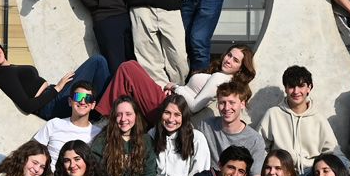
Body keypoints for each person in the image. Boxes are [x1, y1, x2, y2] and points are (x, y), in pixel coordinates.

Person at [97, 43, 256, 123]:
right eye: (229, 55)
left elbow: (194, 106)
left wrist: (176, 87)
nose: (228, 60)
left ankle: (103, 117)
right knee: (129, 76)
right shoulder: (220, 76)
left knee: (129, 67)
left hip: (168, 107)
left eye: (235, 60)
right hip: (168, 101)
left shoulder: (221, 79)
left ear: (240, 68)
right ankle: (110, 117)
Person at [0, 37, 111, 120]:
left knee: (94, 74)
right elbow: (27, 106)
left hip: (54, 99)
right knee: (97, 62)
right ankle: (102, 110)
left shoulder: (9, 69)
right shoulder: (3, 74)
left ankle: (96, 111)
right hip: (51, 105)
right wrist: (57, 88)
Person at [259, 64, 341, 171]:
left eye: (301, 86)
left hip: (311, 174)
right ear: (286, 88)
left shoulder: (318, 118)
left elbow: (333, 151)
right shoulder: (273, 114)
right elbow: (258, 148)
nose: (296, 91)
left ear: (309, 88)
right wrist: (269, 169)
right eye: (292, 86)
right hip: (282, 173)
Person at [199, 81, 266, 176]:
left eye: (232, 102)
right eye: (222, 102)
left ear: (242, 104)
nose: (227, 108)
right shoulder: (205, 126)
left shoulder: (255, 140)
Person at [33, 82, 102, 161]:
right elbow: (33, 152)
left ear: (93, 105)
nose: (82, 102)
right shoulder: (54, 124)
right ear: (70, 101)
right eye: (78, 97)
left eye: (88, 98)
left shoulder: (98, 134)